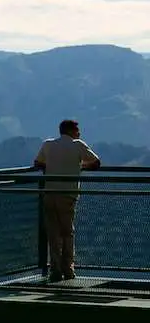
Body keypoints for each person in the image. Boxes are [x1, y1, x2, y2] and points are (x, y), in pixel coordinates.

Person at [33, 119, 101, 282]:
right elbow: (96, 162)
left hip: (49, 193)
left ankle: (54, 269)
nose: (79, 133)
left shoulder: (48, 145)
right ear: (71, 131)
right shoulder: (78, 145)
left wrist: (51, 168)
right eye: (77, 130)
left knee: (53, 233)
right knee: (67, 232)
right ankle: (68, 269)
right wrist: (80, 168)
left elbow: (38, 163)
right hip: (68, 194)